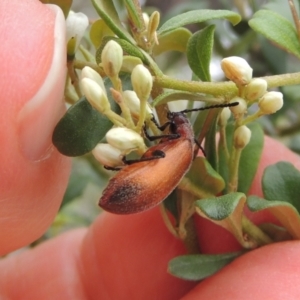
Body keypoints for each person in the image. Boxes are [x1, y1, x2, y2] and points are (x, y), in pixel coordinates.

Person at [1, 1, 300, 299]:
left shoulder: (179, 146)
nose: (176, 119)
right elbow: (153, 152)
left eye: (179, 120)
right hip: (137, 182)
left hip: (138, 182)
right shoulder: (181, 146)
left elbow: (154, 152)